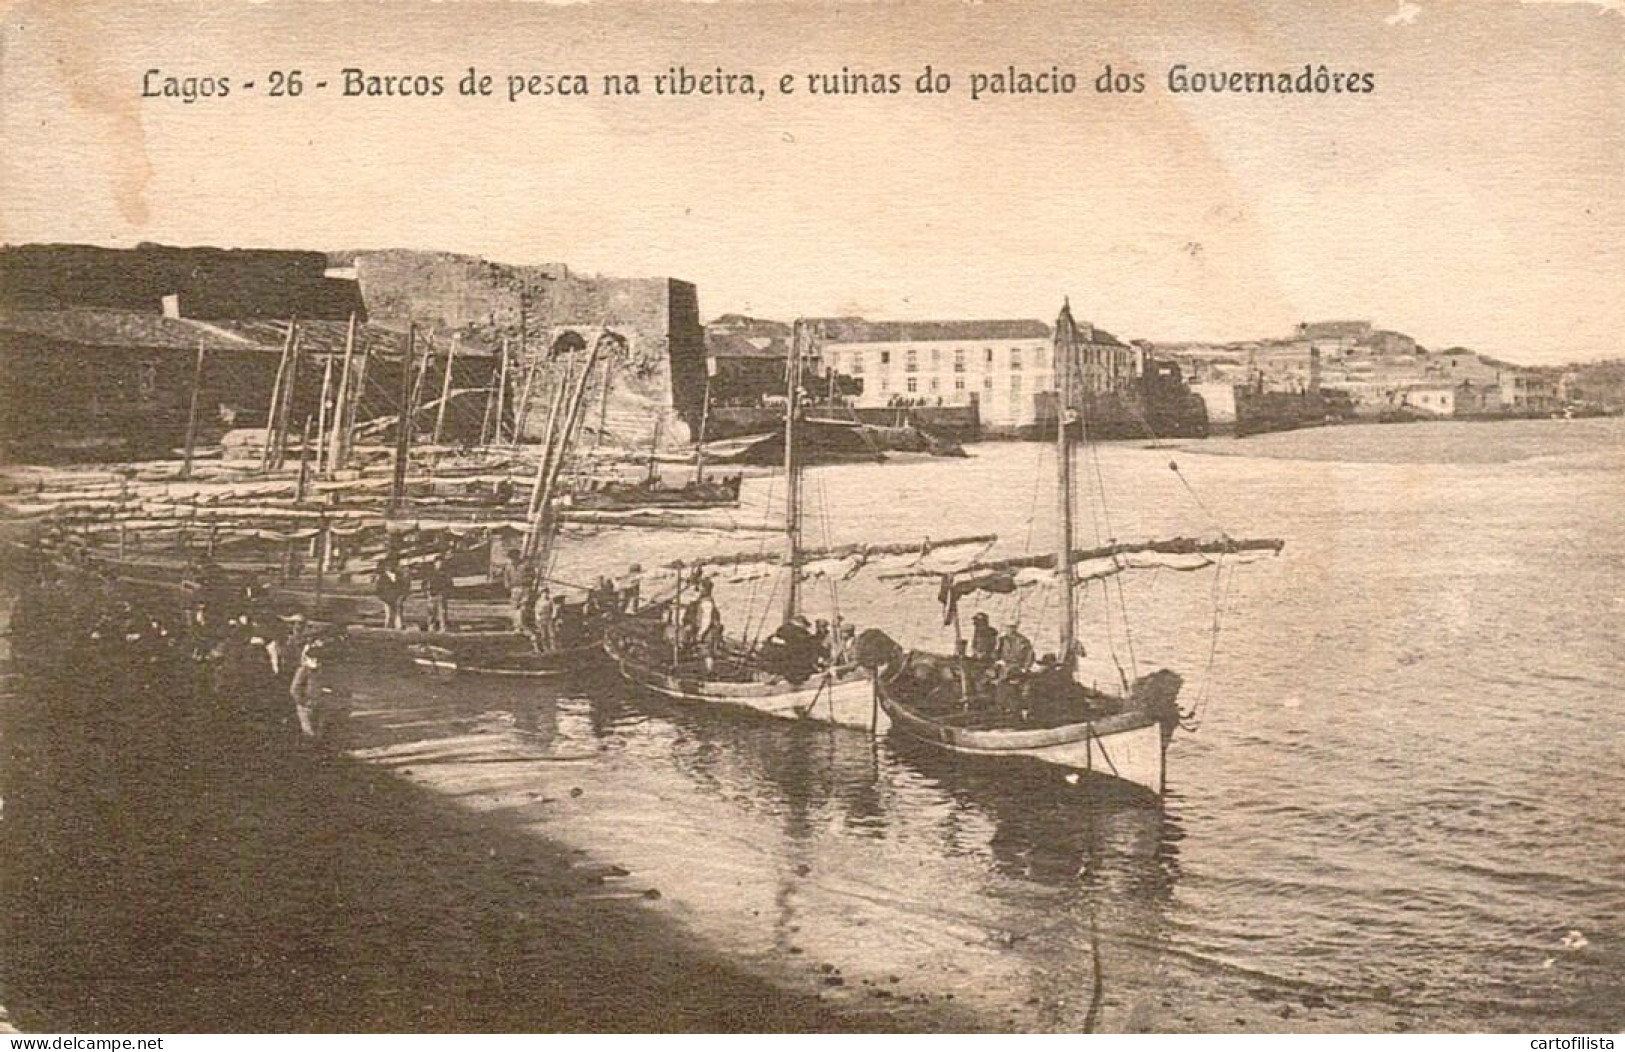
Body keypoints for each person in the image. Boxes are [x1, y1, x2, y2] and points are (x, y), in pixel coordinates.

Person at [689, 578, 722, 672]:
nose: (698, 589)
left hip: (708, 631)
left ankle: (709, 672)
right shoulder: (703, 600)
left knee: (707, 652)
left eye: (700, 587)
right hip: (708, 630)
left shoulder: (706, 602)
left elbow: (706, 619)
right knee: (704, 651)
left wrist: (701, 632)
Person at [374, 557, 408, 630]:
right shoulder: (382, 578)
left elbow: (403, 587)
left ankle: (399, 629)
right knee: (389, 616)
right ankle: (388, 630)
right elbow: (379, 591)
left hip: (398, 599)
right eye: (388, 565)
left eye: (392, 565)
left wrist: (401, 597)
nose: (390, 567)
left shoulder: (399, 576)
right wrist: (386, 599)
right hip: (388, 600)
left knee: (399, 615)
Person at [422, 554, 454, 632]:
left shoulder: (445, 574)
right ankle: (431, 627)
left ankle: (443, 628)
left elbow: (450, 584)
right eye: (438, 562)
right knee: (431, 613)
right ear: (435, 563)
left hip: (441, 595)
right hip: (432, 595)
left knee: (442, 613)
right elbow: (424, 583)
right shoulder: (430, 573)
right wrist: (426, 593)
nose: (440, 564)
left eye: (441, 562)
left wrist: (446, 593)